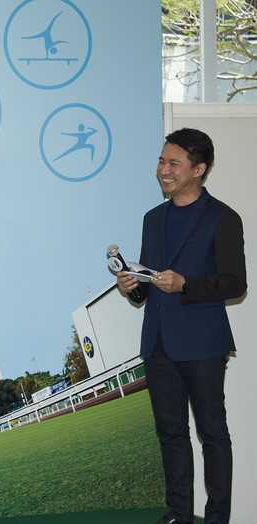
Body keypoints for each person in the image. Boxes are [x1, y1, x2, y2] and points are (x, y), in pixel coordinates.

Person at [116, 128, 245, 524]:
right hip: (157, 343)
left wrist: (186, 283)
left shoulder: (223, 217)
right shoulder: (152, 219)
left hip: (203, 343)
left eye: (173, 163)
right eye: (161, 161)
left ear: (199, 169)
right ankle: (179, 515)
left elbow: (235, 284)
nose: (163, 170)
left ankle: (217, 517)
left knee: (212, 435)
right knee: (170, 434)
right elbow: (149, 284)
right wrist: (132, 286)